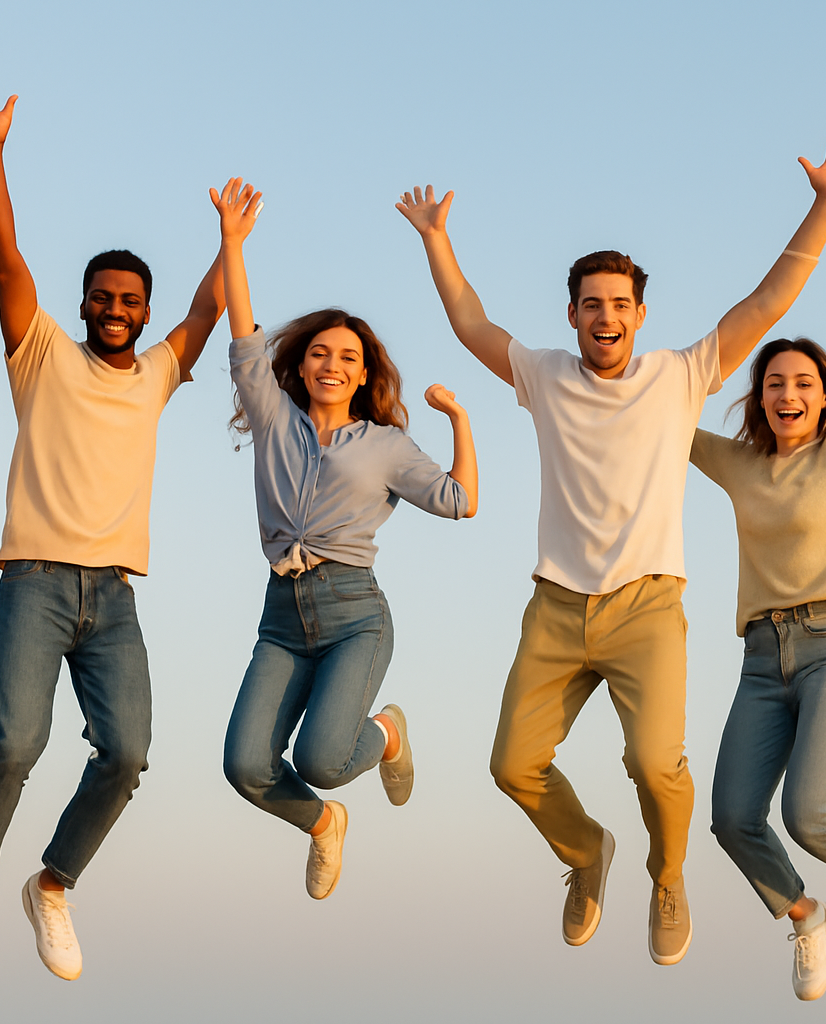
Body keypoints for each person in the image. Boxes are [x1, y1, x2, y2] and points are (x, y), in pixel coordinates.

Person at [396, 129, 826, 964]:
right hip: (555, 606)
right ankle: (587, 856)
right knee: (513, 766)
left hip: (648, 606)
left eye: (620, 303)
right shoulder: (542, 374)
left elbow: (768, 303)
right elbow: (470, 319)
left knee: (657, 766)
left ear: (639, 315)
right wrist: (439, 241)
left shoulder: (679, 373)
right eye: (591, 303)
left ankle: (667, 874)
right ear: (572, 313)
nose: (606, 316)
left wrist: (825, 202)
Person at [0, 72, 227, 983]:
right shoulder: (42, 353)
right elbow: (4, 259)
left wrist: (230, 243)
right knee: (14, 742)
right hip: (36, 581)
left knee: (128, 752)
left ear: (142, 310)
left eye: (130, 298)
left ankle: (51, 885)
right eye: (102, 294)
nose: (114, 307)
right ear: (87, 300)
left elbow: (209, 311)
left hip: (116, 598)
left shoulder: (157, 376)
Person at [211, 176, 477, 899]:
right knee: (246, 766)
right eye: (321, 354)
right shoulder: (273, 417)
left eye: (349, 358)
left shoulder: (387, 444)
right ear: (299, 365)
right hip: (281, 614)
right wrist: (233, 243)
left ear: (365, 375)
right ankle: (323, 825)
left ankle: (387, 731)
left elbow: (460, 502)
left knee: (326, 757)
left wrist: (457, 417)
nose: (332, 365)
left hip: (354, 612)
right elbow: (243, 334)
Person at [691, 337, 826, 1000]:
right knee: (732, 817)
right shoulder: (737, 463)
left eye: (803, 384)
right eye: (775, 384)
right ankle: (807, 916)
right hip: (762, 660)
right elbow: (656, 421)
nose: (789, 395)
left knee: (810, 813)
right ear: (758, 398)